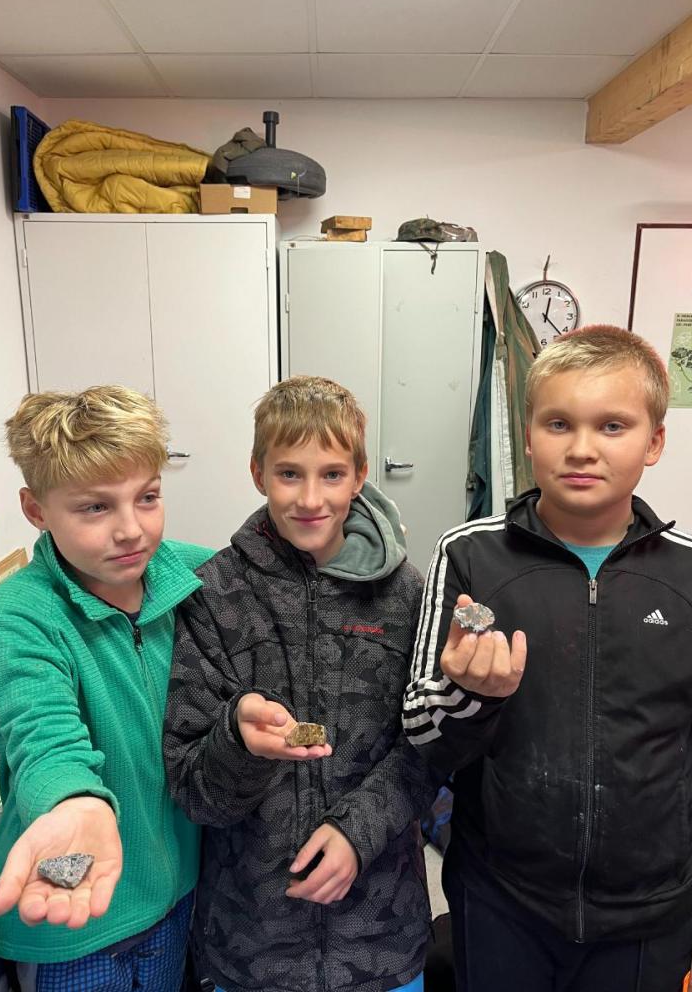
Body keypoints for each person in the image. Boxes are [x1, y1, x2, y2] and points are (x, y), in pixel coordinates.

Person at [403, 325, 692, 992]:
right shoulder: (470, 556)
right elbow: (423, 736)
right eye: (559, 423)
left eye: (612, 426)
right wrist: (470, 695)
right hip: (502, 902)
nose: (582, 448)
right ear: (529, 435)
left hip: (651, 915)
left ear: (655, 442)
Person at [163, 375, 436, 992]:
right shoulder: (213, 595)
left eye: (332, 474)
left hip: (380, 940)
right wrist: (239, 743)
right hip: (251, 946)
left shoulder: (406, 594)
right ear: (257, 472)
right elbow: (192, 790)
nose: (311, 498)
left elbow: (427, 749)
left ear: (360, 475)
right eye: (289, 474)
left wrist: (357, 832)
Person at [0, 386, 214, 992]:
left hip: (175, 894)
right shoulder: (19, 615)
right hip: (71, 913)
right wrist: (73, 801)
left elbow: (285, 559)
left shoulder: (192, 574)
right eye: (95, 508)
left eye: (148, 497)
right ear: (35, 510)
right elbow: (42, 734)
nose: (132, 530)